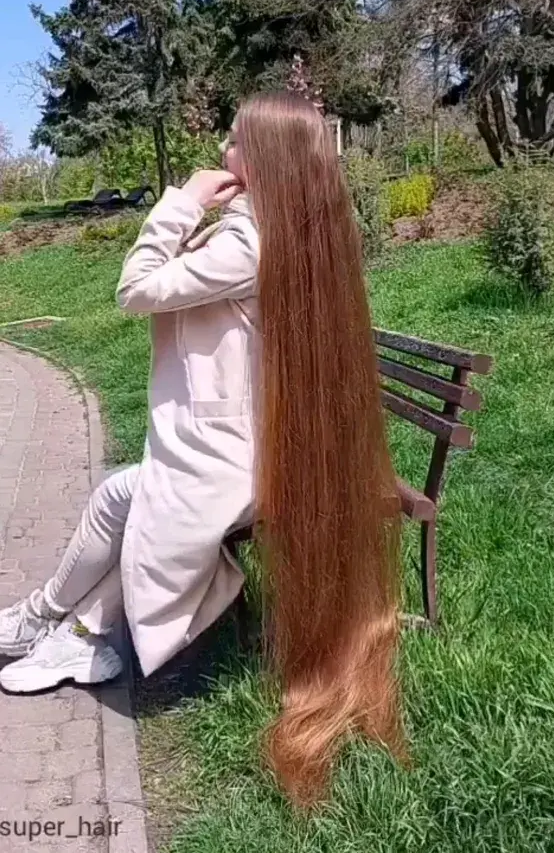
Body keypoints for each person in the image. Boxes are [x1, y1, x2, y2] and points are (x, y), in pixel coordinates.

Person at [0, 92, 404, 805]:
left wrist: (180, 202)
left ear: (268, 160)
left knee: (123, 497)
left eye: (235, 142)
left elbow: (136, 289)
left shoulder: (249, 242)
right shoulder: (265, 231)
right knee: (123, 497)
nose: (223, 154)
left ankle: (60, 624)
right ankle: (68, 628)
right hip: (232, 443)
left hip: (229, 458)